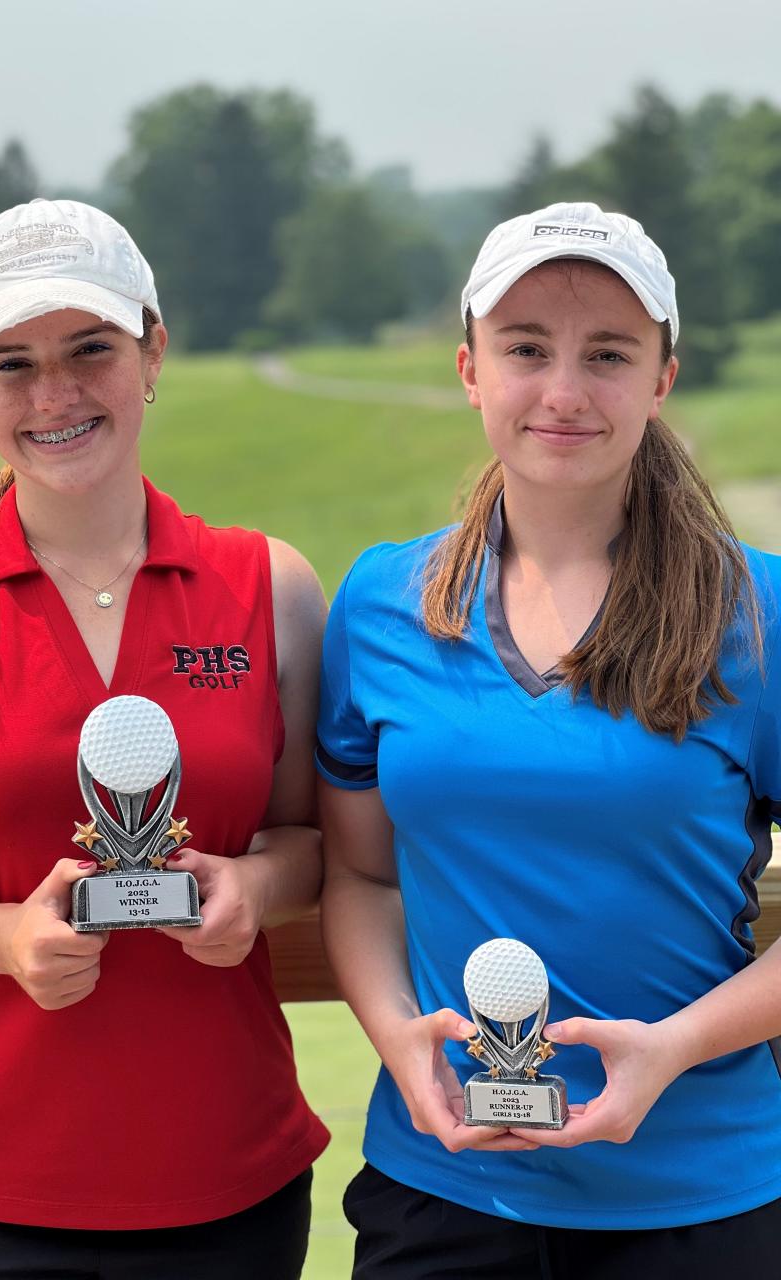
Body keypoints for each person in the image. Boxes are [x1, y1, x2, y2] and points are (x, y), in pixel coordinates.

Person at [0, 197, 329, 1279]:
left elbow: (309, 840)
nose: (55, 395)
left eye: (89, 349)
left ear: (152, 347)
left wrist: (254, 886)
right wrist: (1, 938)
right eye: (13, 363)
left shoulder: (269, 586)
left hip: (225, 1184)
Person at [316, 201, 781, 1278]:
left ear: (662, 378)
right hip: (442, 1190)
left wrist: (673, 1049)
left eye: (607, 354)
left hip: (703, 1201)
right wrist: (395, 1034)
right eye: (526, 349)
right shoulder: (382, 601)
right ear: (471, 368)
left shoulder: (757, 613)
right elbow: (361, 876)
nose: (564, 391)